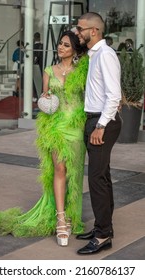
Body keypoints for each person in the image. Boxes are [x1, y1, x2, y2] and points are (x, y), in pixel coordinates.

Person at [0, 30, 89, 247]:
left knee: (75, 173)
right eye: (60, 44)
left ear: (74, 49)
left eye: (66, 45)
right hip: (55, 127)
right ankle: (61, 220)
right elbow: (45, 100)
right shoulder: (48, 70)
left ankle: (72, 214)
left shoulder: (83, 71)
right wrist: (45, 98)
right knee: (59, 169)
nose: (60, 48)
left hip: (76, 126)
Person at [75, 12, 122, 254]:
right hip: (94, 120)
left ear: (94, 31)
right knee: (101, 177)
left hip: (102, 123)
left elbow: (114, 95)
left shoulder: (106, 55)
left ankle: (103, 235)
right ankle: (104, 228)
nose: (77, 32)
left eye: (80, 28)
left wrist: (101, 126)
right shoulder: (94, 55)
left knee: (96, 179)